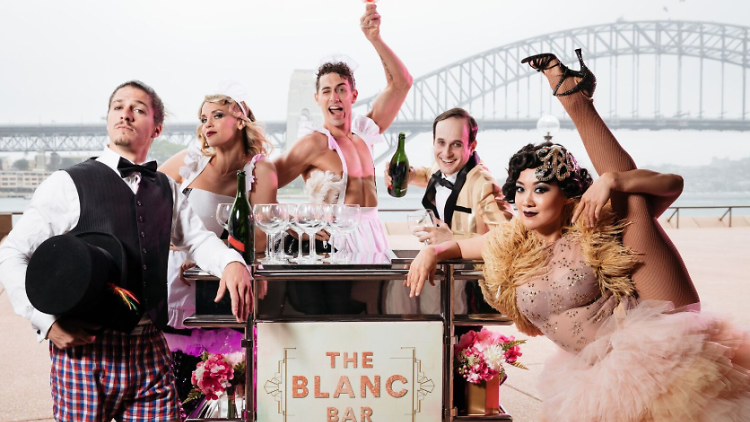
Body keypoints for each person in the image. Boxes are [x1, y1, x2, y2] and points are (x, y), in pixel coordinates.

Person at [406, 50, 750, 422]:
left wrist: (612, 180)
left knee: (631, 201)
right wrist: (433, 252)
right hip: (587, 376)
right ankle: (574, 93)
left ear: (563, 194)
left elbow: (672, 185)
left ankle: (575, 99)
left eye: (540, 190)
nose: (526, 200)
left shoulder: (589, 224)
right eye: (520, 190)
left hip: (652, 347)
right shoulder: (513, 241)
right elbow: (461, 244)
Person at [0, 80, 253, 422]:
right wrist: (45, 321)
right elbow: (12, 252)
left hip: (149, 344)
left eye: (138, 108)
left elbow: (197, 239)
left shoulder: (168, 189)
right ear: (108, 118)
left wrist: (231, 262)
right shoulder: (66, 183)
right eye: (118, 106)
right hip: (85, 349)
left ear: (156, 127)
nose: (125, 114)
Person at [273, 3, 412, 315]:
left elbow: (402, 83)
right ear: (317, 98)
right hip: (335, 242)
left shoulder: (366, 131)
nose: (334, 97)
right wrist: (293, 222)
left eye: (341, 89)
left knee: (375, 318)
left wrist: (374, 38)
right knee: (340, 322)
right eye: (326, 91)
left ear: (353, 95)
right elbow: (265, 179)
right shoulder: (314, 143)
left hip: (374, 234)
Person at [157, 84, 276, 414]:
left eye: (218, 115)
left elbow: (261, 238)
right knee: (173, 396)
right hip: (172, 290)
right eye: (203, 117)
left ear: (240, 120)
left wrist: (204, 251)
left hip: (217, 291)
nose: (207, 123)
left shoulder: (260, 170)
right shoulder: (189, 162)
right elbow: (144, 198)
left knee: (221, 399)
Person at [384, 107, 514, 315]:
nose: (446, 153)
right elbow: (430, 174)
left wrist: (453, 238)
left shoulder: (484, 184)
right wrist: (408, 174)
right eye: (441, 143)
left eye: (456, 144)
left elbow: (510, 238)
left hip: (470, 286)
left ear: (472, 146)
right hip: (443, 272)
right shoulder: (442, 165)